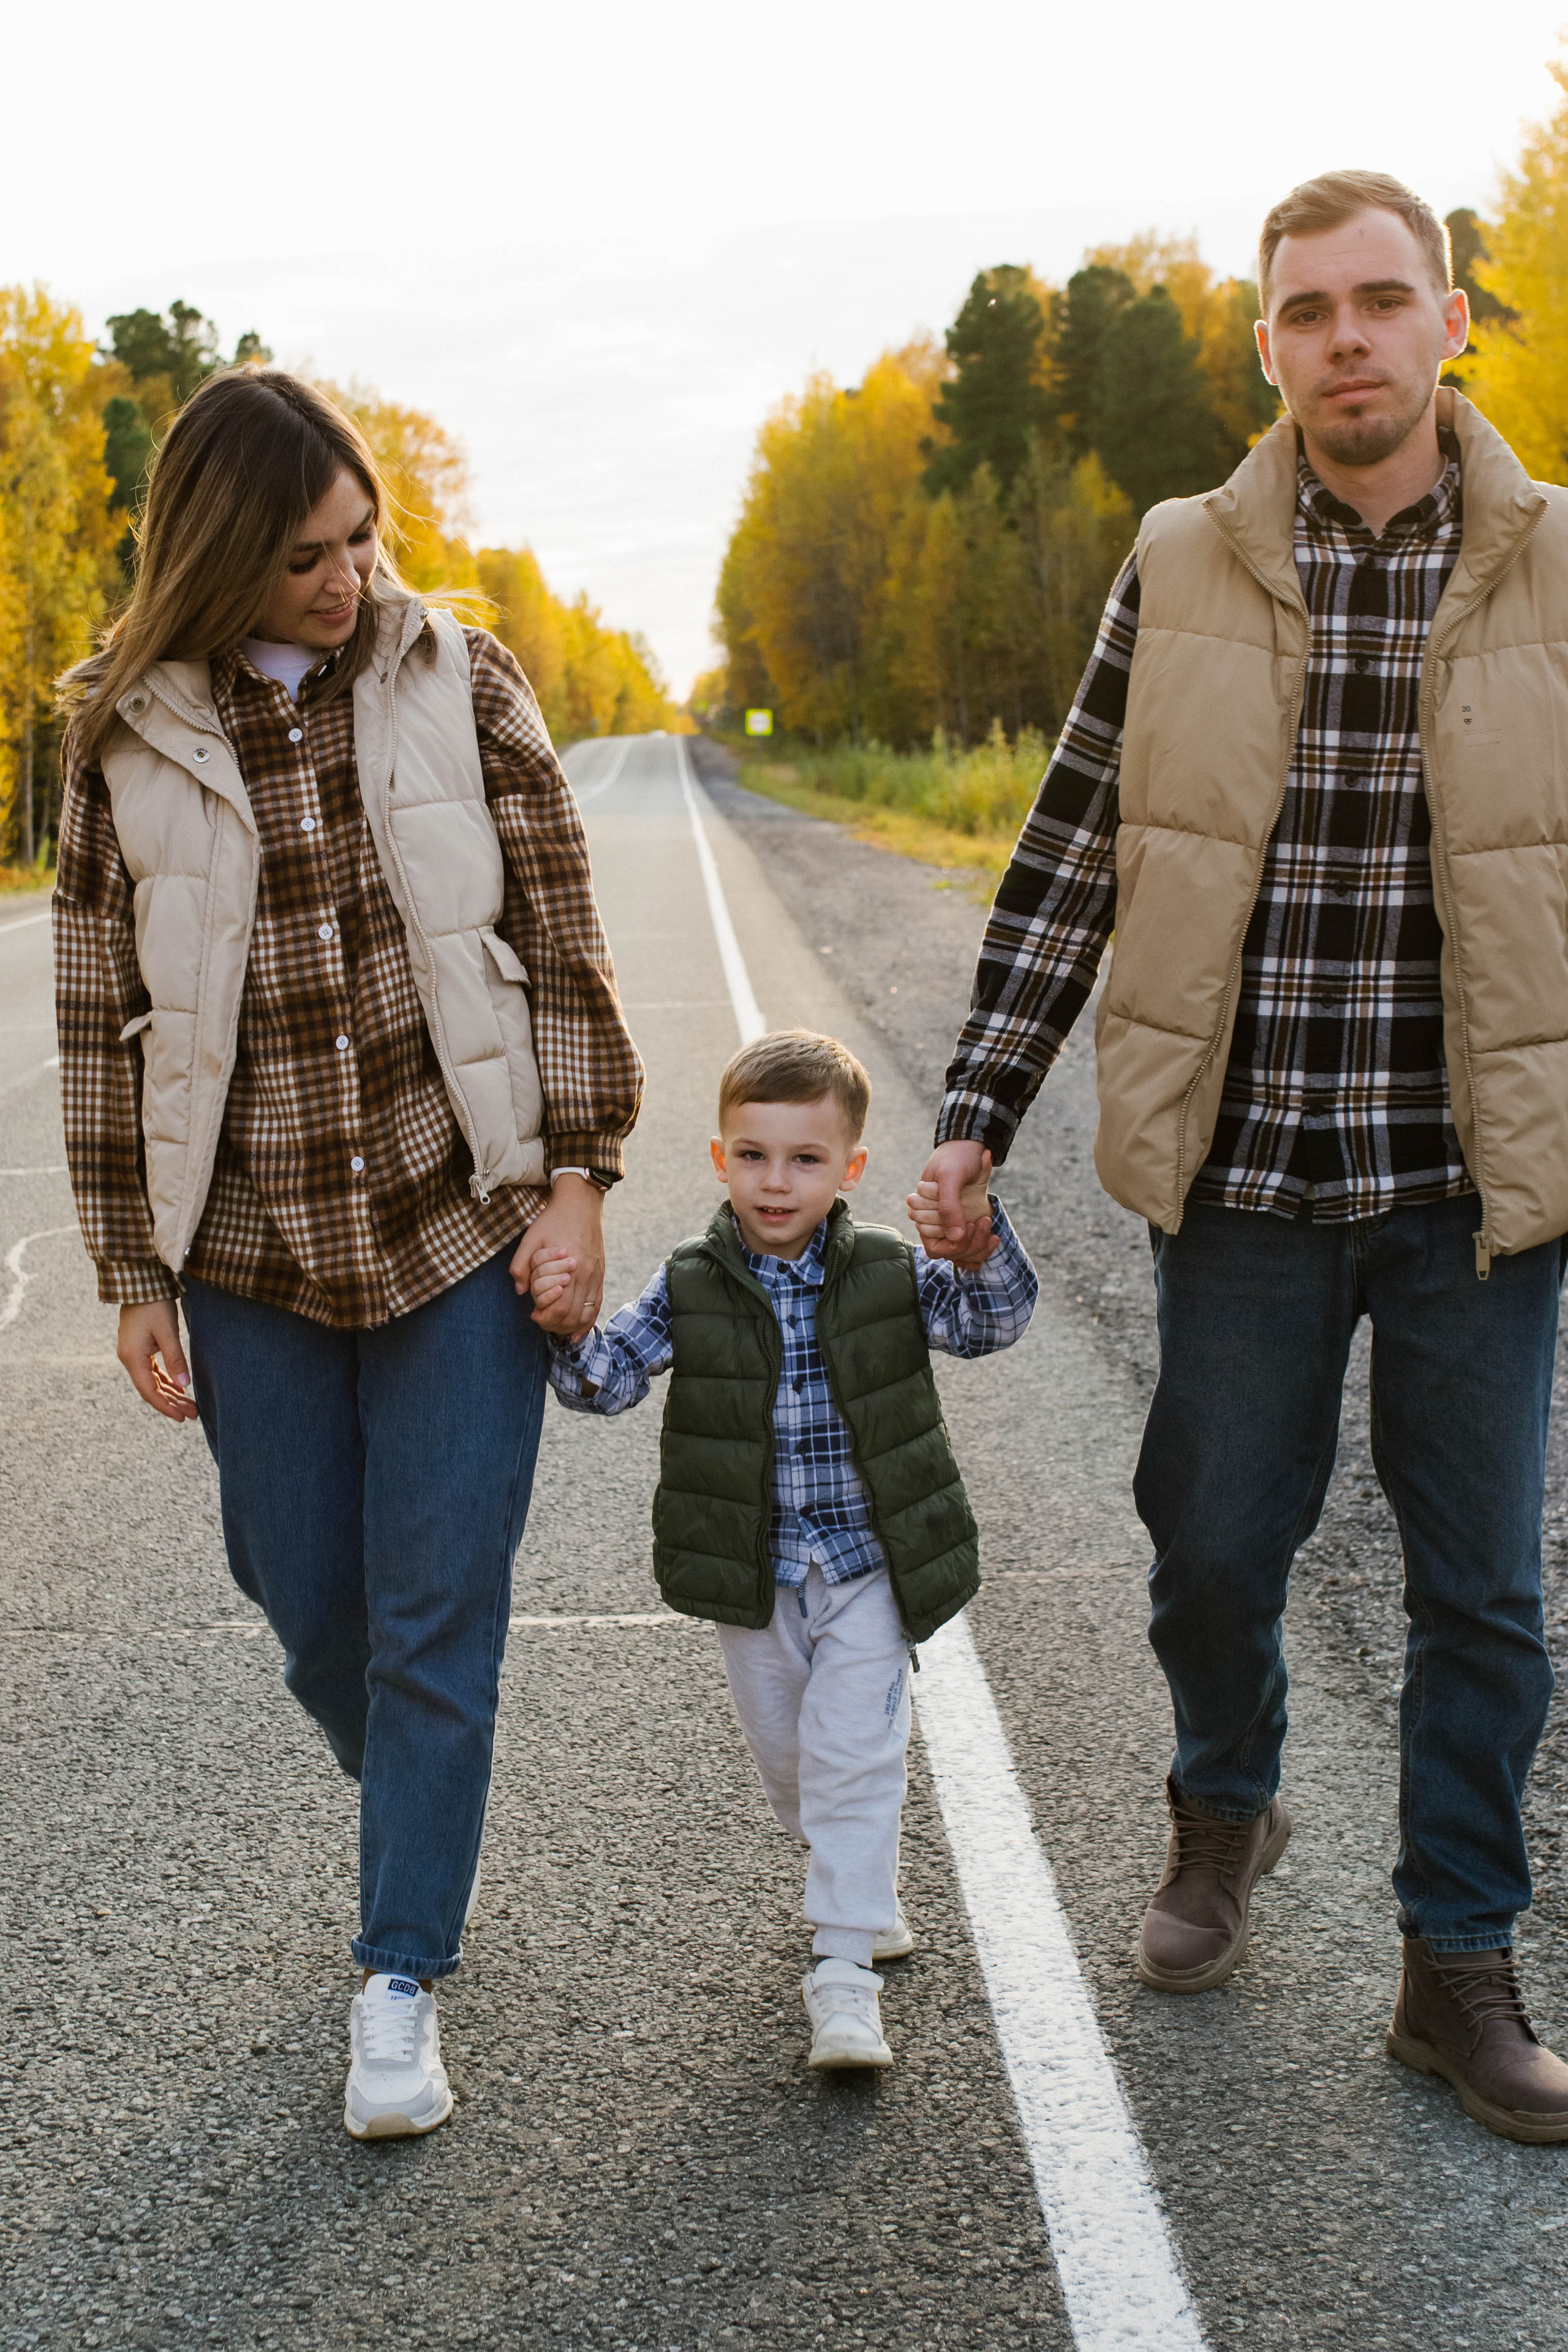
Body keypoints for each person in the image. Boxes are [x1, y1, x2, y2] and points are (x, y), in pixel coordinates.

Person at [911, 171, 1568, 2146]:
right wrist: (973, 1113)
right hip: (1248, 1173)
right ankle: (1227, 1799)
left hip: (1480, 1191)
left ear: (1453, 323)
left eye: (1385, 302)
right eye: (1309, 312)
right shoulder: (1184, 558)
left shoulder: (1556, 564)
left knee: (1485, 1595)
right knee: (1212, 1547)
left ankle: (1460, 1961)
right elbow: (1073, 850)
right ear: (1267, 344)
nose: (1347, 339)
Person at [53, 368, 642, 2139]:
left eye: (363, 539)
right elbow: (97, 1016)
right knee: (307, 1600)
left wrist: (581, 1179)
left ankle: (399, 1976)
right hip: (246, 1247)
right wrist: (131, 1273)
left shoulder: (458, 676)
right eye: (308, 553)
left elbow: (563, 926)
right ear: (222, 552)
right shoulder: (118, 728)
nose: (349, 578)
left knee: (432, 1614)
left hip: (457, 1220)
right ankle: (421, 1796)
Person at [538, 1030, 1035, 2068]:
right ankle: (857, 1884)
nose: (777, 1181)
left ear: (849, 1169)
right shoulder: (690, 1282)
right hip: (755, 1575)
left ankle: (844, 1975)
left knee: (855, 1752)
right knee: (794, 1765)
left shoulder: (890, 1272)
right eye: (754, 1155)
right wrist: (558, 1322)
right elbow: (608, 1382)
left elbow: (992, 1325)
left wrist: (979, 1242)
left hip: (867, 1565)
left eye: (806, 1160)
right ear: (720, 1159)